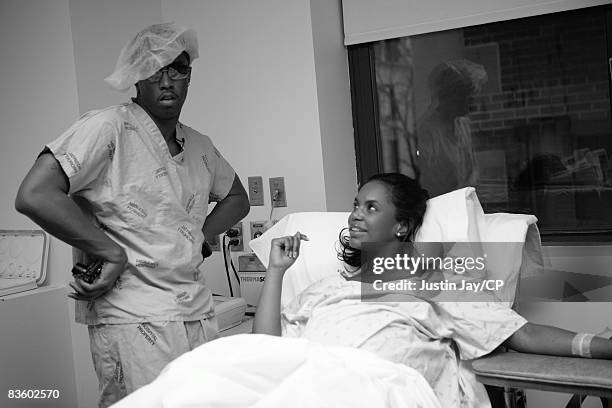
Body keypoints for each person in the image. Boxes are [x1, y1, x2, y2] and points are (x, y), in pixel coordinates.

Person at [15, 22, 249, 406]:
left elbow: (238, 198)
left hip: (196, 309)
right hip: (132, 316)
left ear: (190, 76)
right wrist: (111, 252)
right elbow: (35, 194)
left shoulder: (200, 146)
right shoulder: (107, 128)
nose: (168, 79)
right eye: (155, 68)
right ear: (136, 76)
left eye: (179, 67)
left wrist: (201, 237)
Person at [253, 173, 612, 408]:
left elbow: (523, 333)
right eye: (355, 206)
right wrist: (276, 271)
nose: (355, 216)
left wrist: (599, 347)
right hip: (309, 390)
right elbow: (265, 351)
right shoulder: (326, 289)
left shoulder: (438, 285)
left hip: (377, 391)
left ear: (402, 226)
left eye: (371, 207)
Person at [417, 60, 487, 197]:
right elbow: (432, 182)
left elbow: (472, 171)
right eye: (466, 97)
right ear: (449, 96)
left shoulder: (463, 125)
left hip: (464, 203)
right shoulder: (427, 130)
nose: (472, 103)